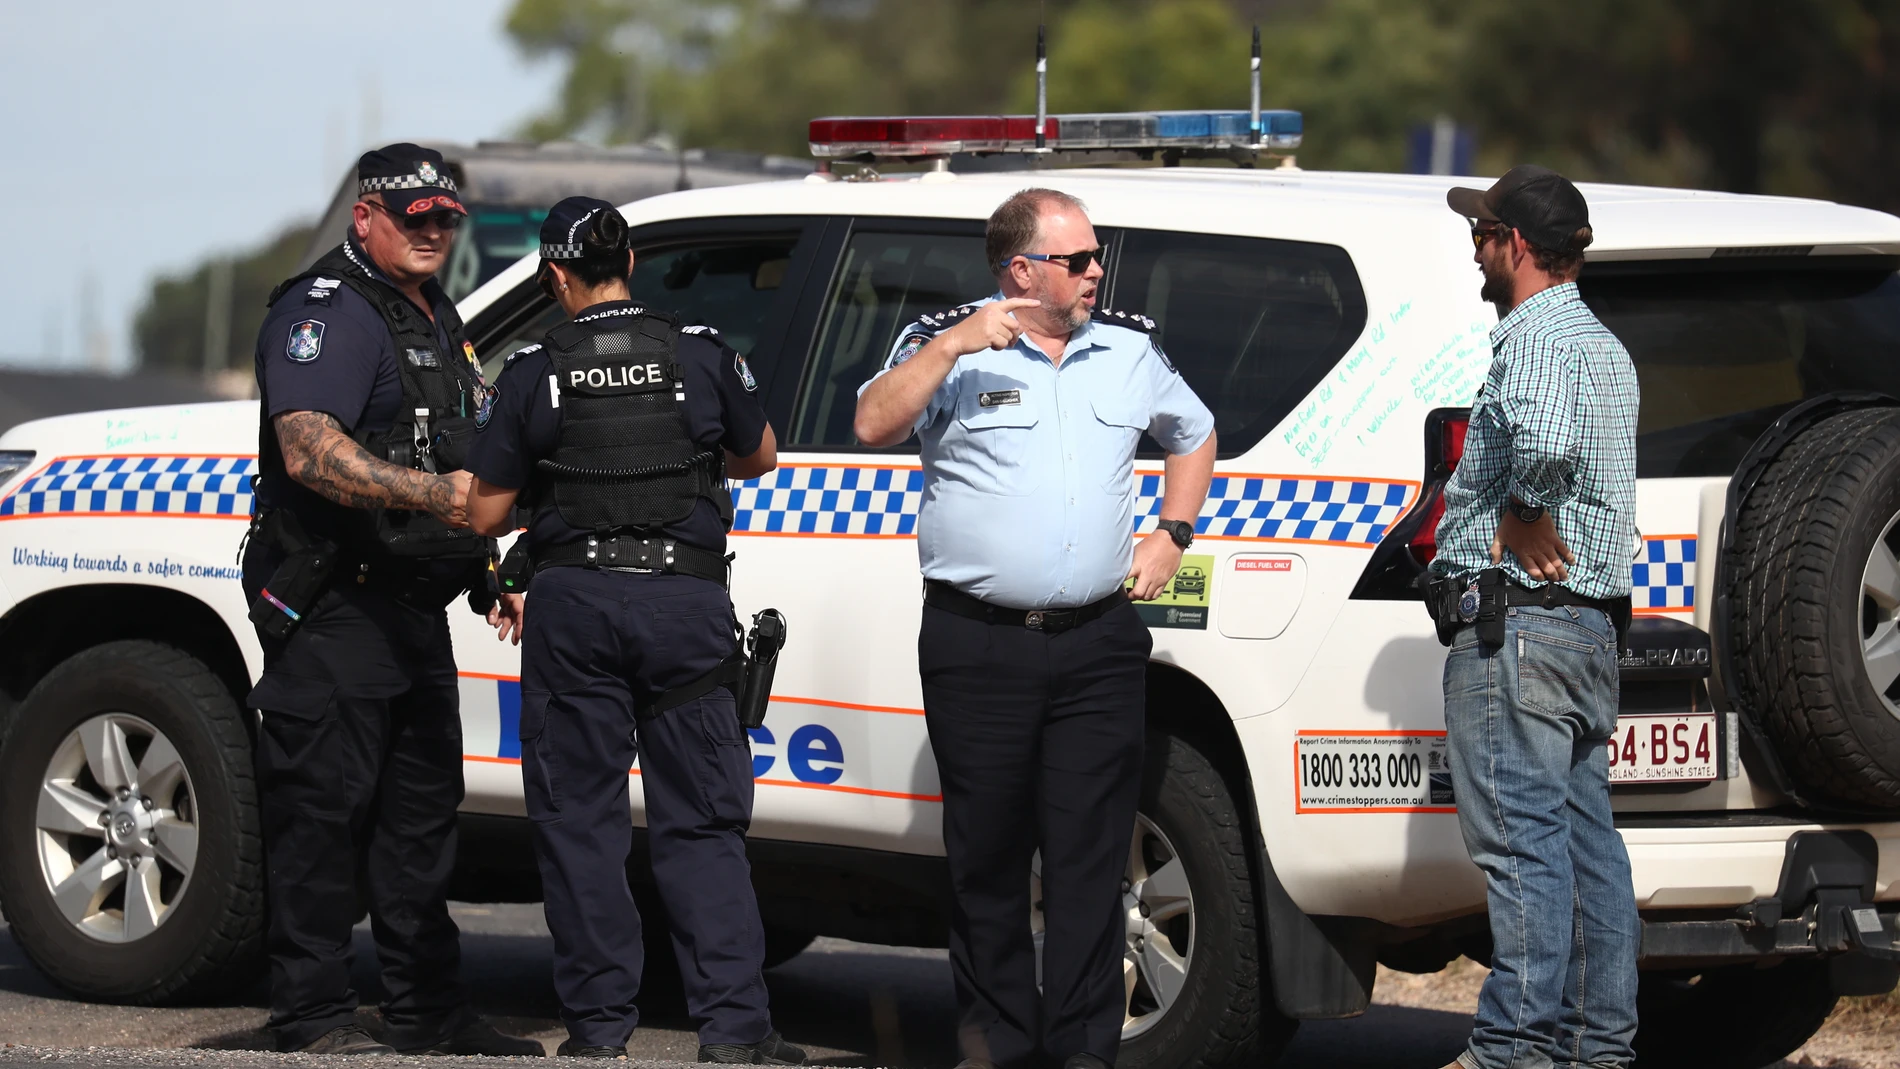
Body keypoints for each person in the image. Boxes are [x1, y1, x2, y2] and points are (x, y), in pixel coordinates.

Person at [853, 188, 1217, 1069]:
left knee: (1092, 864)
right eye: (1080, 260)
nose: (1098, 272)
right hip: (979, 643)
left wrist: (1173, 531)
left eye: (1097, 259)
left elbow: (1194, 432)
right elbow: (870, 422)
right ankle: (999, 1050)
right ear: (1022, 270)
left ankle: (1085, 1053)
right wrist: (951, 346)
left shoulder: (1127, 350)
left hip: (1096, 644)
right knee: (988, 864)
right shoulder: (952, 346)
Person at [464, 197, 801, 1064]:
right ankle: (734, 1031)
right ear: (631, 266)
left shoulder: (538, 368)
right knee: (702, 824)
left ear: (555, 276)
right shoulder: (698, 352)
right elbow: (761, 452)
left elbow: (484, 513)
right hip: (683, 606)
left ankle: (599, 1031)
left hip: (575, 609)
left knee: (581, 824)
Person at [242, 143, 541, 1056]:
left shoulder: (433, 310)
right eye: (416, 218)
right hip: (337, 606)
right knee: (321, 821)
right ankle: (314, 1013)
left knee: (419, 822)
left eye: (447, 219)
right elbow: (307, 448)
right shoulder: (326, 310)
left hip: (410, 610)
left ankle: (425, 1008)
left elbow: (458, 441)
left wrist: (486, 559)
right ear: (364, 215)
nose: (434, 233)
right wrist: (435, 497)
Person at [1429, 165, 1641, 1069]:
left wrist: (1519, 508)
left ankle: (1513, 1049)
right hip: (1588, 627)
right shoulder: (1605, 344)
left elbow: (1545, 440)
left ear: (1517, 244)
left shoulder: (1536, 338)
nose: (1475, 250)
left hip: (1518, 625)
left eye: (1482, 235)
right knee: (1585, 842)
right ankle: (1597, 1050)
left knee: (1522, 848)